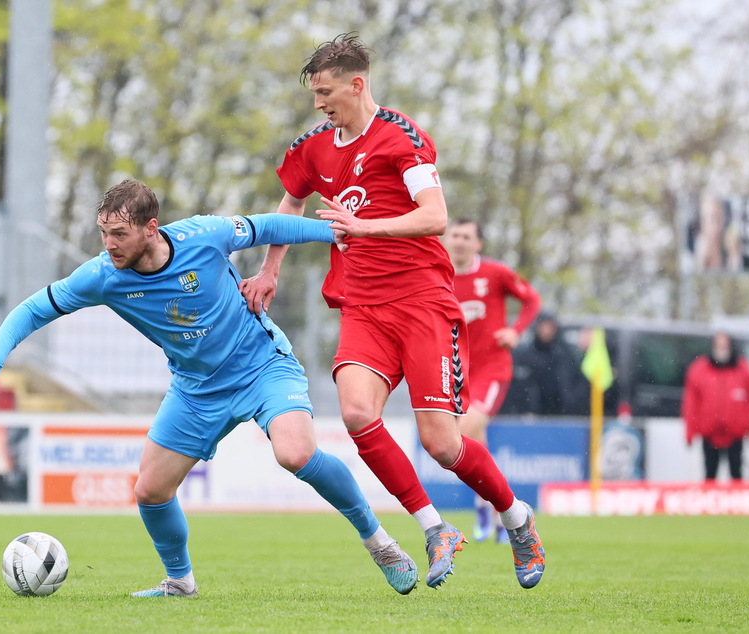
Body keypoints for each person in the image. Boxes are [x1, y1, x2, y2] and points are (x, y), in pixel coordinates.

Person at [0, 178, 420, 597]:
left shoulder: (205, 235)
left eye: (119, 234)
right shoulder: (104, 275)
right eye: (103, 233)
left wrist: (341, 231)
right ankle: (179, 581)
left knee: (295, 453)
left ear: (150, 228)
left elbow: (268, 226)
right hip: (196, 389)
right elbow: (33, 309)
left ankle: (379, 542)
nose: (109, 244)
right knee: (151, 490)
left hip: (262, 366)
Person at [241, 33, 545, 590]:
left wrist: (365, 227)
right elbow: (290, 200)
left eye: (326, 92)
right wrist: (270, 268)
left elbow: (434, 216)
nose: (318, 103)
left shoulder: (402, 139)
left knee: (443, 445)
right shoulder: (313, 145)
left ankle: (517, 518)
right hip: (362, 306)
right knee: (356, 413)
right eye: (314, 94)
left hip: (424, 305)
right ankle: (434, 529)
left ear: (357, 85)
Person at [442, 218, 541, 543]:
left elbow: (532, 300)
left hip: (492, 371)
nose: (458, 241)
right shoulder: (438, 272)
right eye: (454, 234)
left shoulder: (495, 274)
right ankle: (497, 510)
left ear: (478, 243)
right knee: (476, 448)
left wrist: (515, 330)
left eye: (466, 236)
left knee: (456, 437)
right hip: (458, 372)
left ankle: (495, 507)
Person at [682, 331, 749, 482]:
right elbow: (691, 403)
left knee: (736, 474)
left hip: (735, 433)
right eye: (718, 346)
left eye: (724, 346)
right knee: (710, 474)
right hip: (710, 433)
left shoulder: (744, 370)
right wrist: (690, 431)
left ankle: (737, 505)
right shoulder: (699, 369)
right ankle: (709, 504)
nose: (721, 350)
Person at [509, 312, 586, 416]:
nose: (546, 331)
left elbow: (575, 385)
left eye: (550, 327)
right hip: (530, 415)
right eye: (543, 327)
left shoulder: (566, 355)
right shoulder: (524, 355)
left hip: (562, 414)